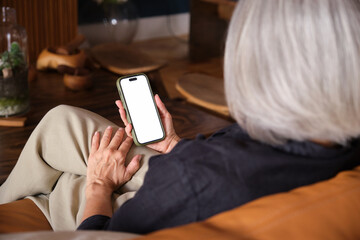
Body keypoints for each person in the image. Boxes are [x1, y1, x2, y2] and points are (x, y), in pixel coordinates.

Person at [1, 0, 360, 234]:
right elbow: (230, 161)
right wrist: (174, 145)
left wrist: (98, 186)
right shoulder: (333, 137)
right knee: (63, 122)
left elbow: (101, 233)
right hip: (182, 168)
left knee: (67, 180)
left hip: (146, 201)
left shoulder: (196, 181)